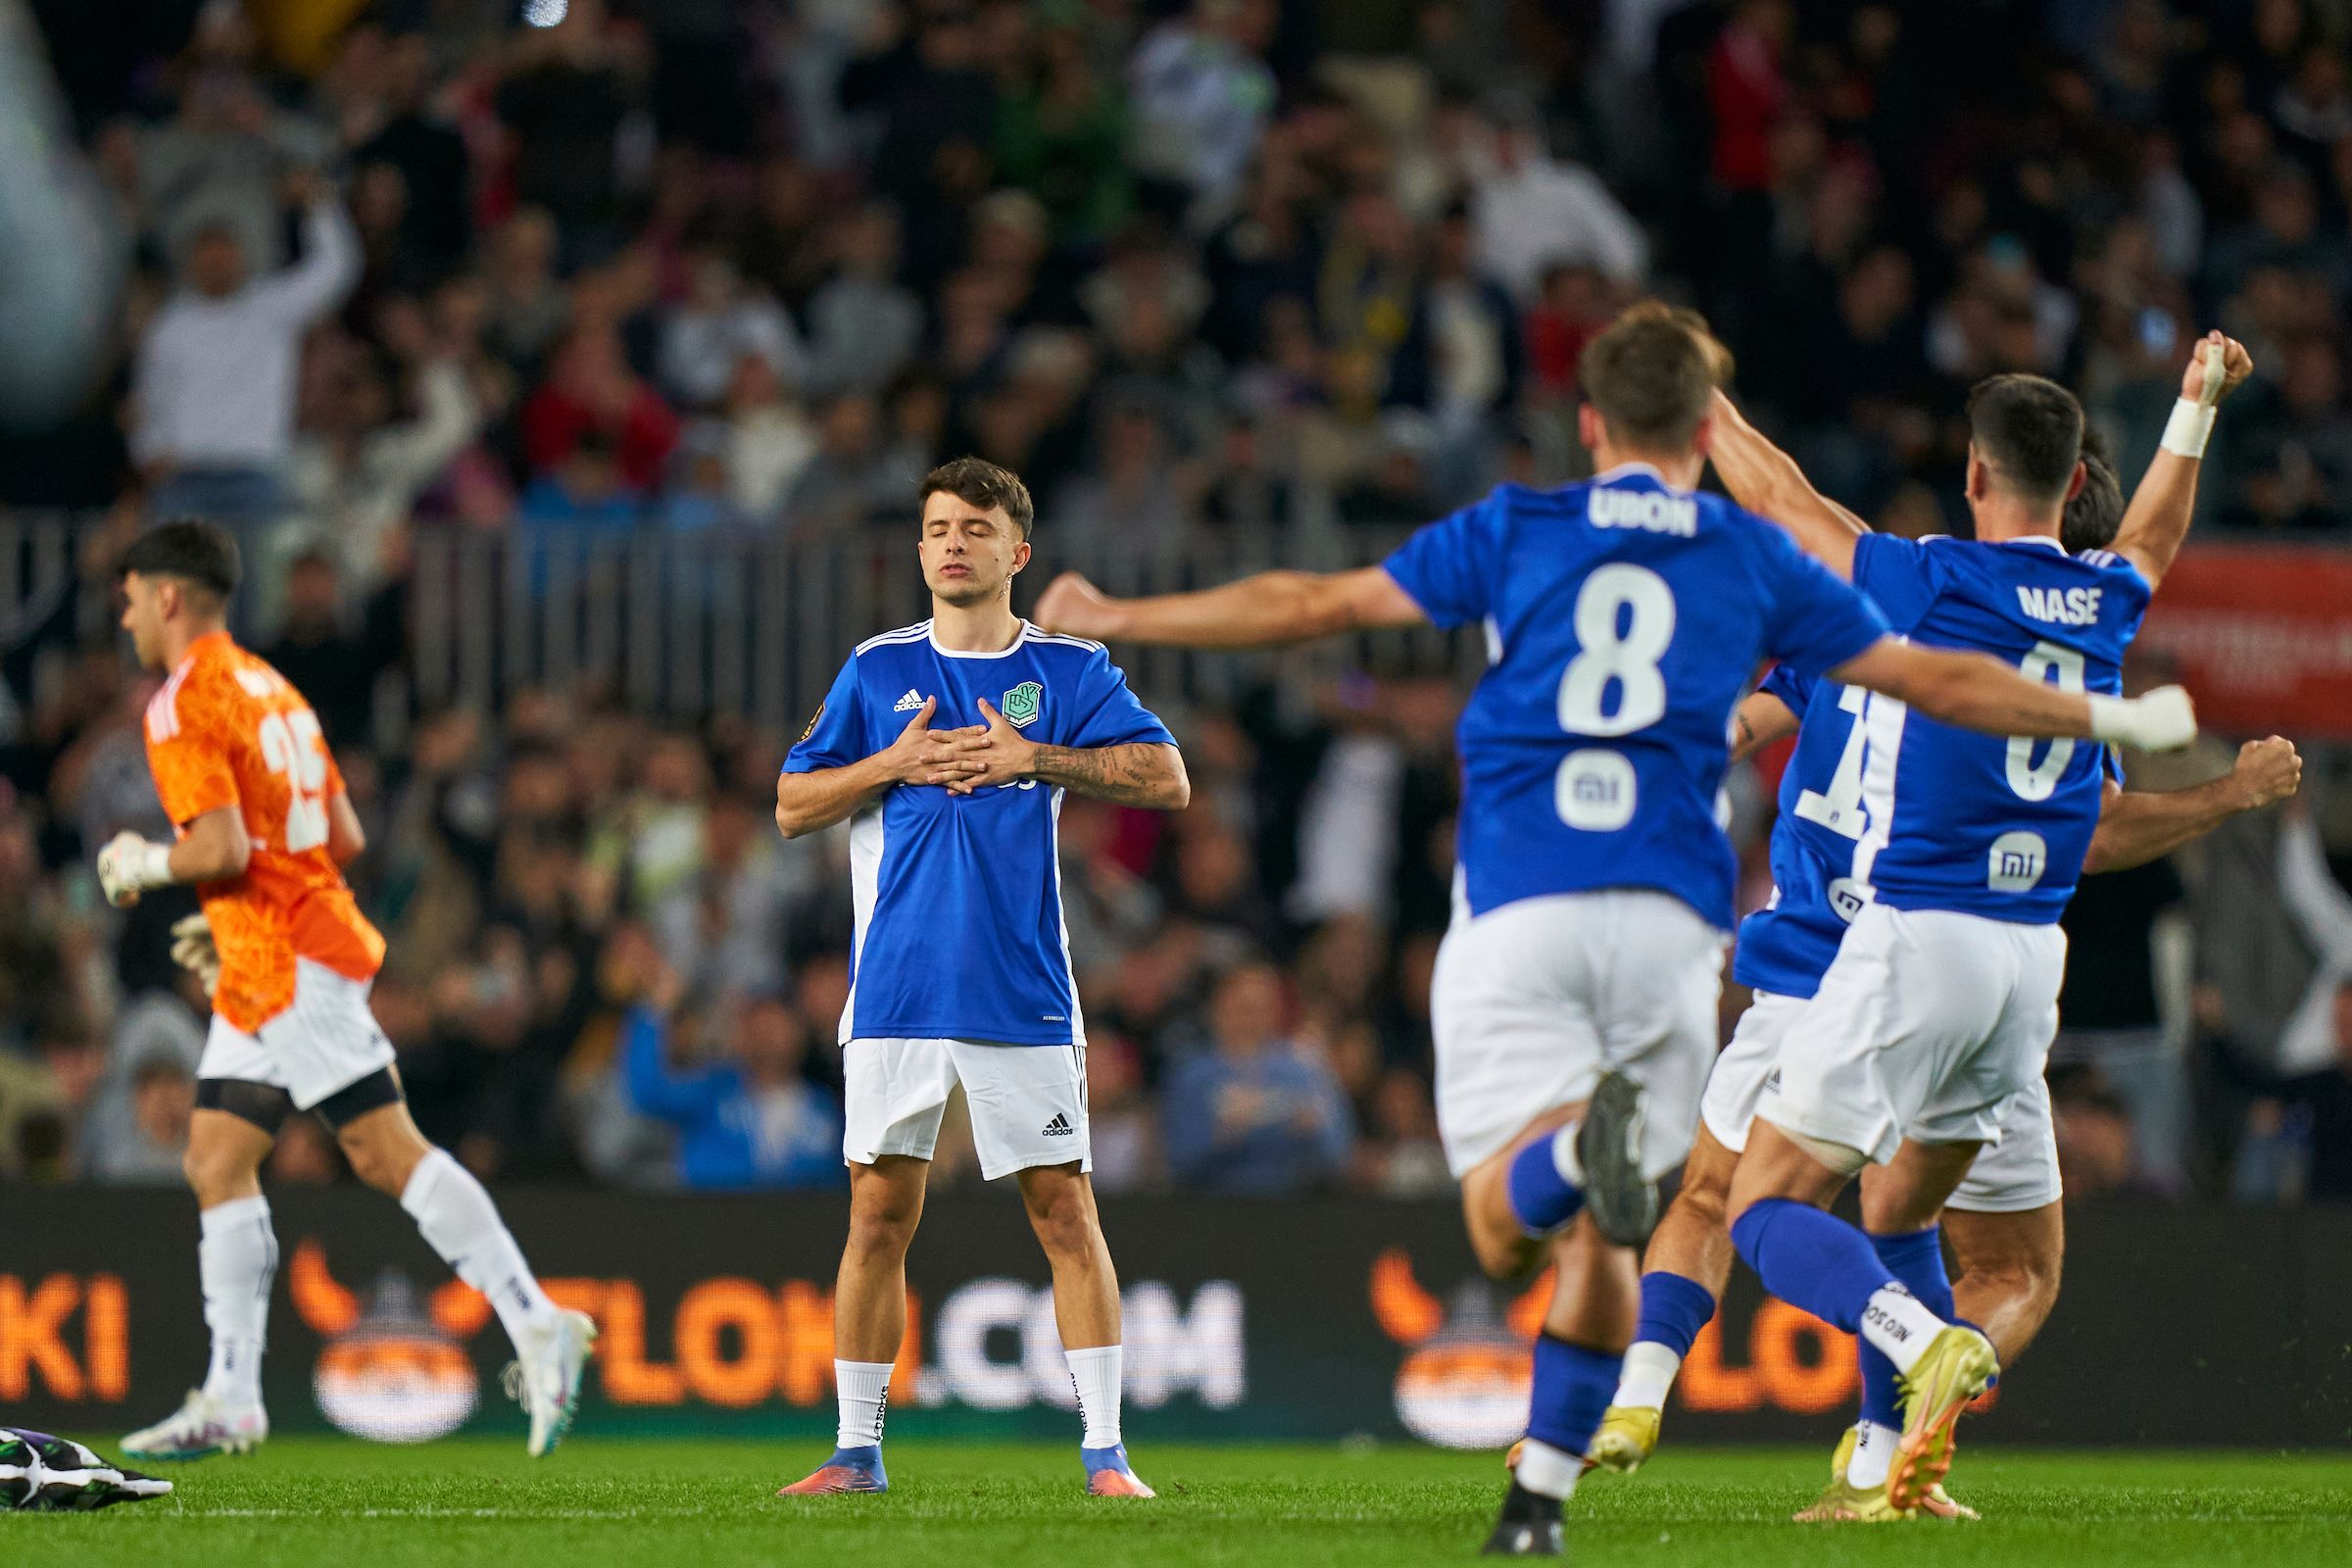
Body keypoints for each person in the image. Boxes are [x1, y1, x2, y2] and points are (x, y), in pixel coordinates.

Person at [1033, 308, 2198, 1554]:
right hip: (1683, 925)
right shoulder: (1762, 568)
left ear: (1589, 425)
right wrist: (2108, 726)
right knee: (1673, 1220)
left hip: (1529, 904)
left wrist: (1125, 613)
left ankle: (1651, 1272)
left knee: (1526, 1219)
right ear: (1700, 426)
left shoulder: (1522, 526)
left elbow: (1315, 598)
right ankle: (1547, 1492)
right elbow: (1938, 676)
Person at [1589, 355, 2289, 1522]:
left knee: (1756, 1208)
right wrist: (2197, 406)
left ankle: (1917, 1343)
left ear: (1972, 473)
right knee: (2004, 1263)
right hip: (2030, 963)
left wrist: (1704, 409)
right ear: (2076, 490)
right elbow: (2159, 530)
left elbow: (1785, 501)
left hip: (1906, 942)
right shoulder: (2109, 599)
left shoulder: (1919, 587)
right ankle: (1885, 1468)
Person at [94, 521, 593, 1463]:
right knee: (216, 1156)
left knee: (382, 1150)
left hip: (285, 958)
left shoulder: (180, 703)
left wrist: (141, 863)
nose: (123, 617)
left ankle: (537, 1322)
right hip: (271, 950)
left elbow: (222, 848)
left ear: (167, 596)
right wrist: (233, 910)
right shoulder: (275, 687)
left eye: (128, 598)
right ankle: (234, 1394)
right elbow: (345, 834)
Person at [771, 458, 1190, 1498]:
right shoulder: (875, 671)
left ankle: (1106, 1455)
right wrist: (887, 765)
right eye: (937, 528)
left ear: (1019, 552)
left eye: (975, 527)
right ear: (918, 550)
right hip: (897, 991)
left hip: (1020, 988)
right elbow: (790, 804)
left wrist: (1034, 757)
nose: (952, 543)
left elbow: (1167, 777)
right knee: (876, 1216)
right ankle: (855, 1453)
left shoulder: (1068, 670)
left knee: (1063, 1209)